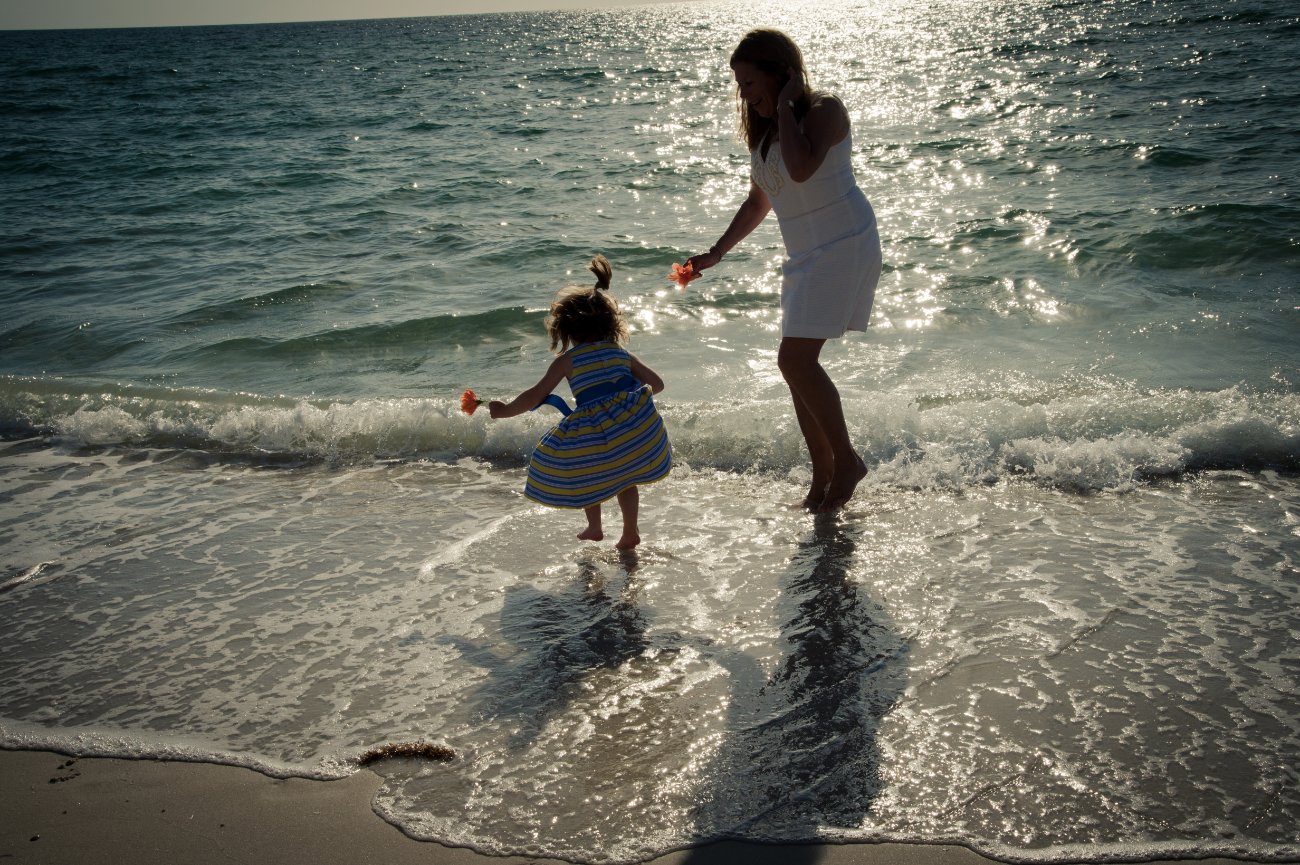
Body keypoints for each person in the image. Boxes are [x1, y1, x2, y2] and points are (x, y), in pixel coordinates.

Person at [686, 28, 882, 512]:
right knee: (796, 368)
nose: (744, 94)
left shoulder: (824, 112)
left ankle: (847, 463)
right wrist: (715, 253)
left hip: (843, 245)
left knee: (794, 361)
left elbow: (800, 170)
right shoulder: (768, 133)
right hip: (803, 256)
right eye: (739, 84)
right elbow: (759, 201)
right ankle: (823, 481)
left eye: (751, 82)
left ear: (782, 72)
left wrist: (793, 99)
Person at [488, 255, 672, 549]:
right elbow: (658, 385)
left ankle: (595, 527)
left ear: (565, 330)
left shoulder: (568, 361)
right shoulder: (620, 352)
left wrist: (503, 411)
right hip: (631, 430)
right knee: (627, 479)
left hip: (594, 430)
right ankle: (629, 532)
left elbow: (535, 395)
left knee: (587, 469)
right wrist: (625, 394)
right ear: (610, 324)